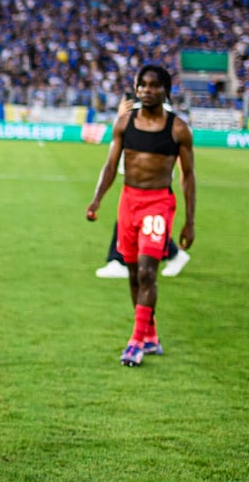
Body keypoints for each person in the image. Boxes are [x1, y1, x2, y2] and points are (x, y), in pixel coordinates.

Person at [85, 66, 196, 367]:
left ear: (165, 91)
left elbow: (187, 176)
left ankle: (135, 342)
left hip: (158, 203)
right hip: (128, 202)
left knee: (148, 272)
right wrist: (97, 200)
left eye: (154, 86)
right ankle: (150, 334)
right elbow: (110, 166)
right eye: (142, 85)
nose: (147, 90)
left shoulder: (178, 129)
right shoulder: (124, 123)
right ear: (136, 88)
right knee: (133, 273)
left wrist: (189, 220)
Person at [95, 98, 191, 279]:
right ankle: (173, 254)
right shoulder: (137, 105)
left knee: (142, 221)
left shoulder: (158, 110)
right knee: (138, 220)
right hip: (135, 171)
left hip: (153, 178)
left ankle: (119, 260)